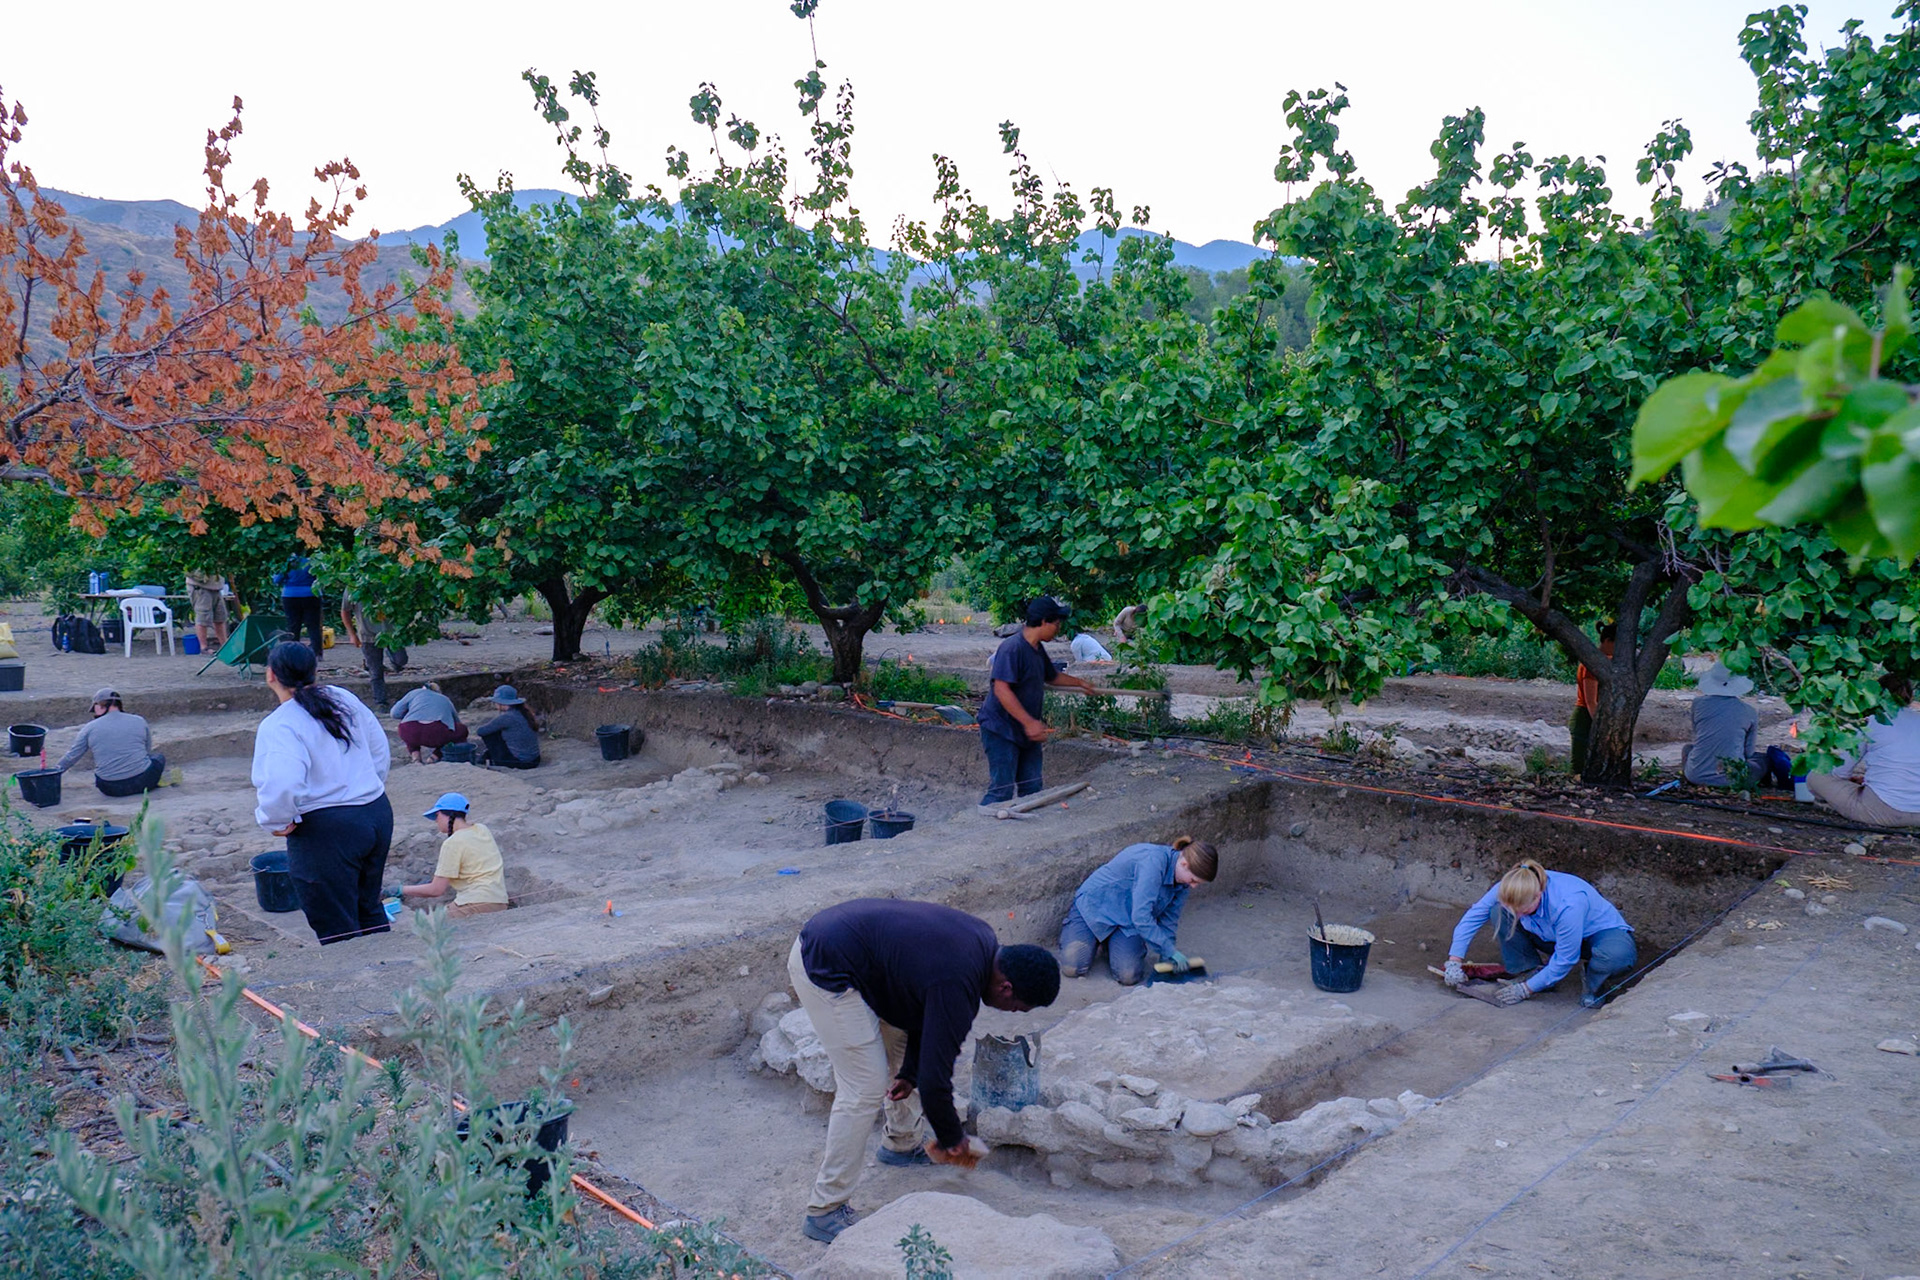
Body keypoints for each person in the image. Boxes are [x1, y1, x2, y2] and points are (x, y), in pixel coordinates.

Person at [787, 898, 1060, 1243]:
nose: (1012, 1013)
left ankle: (900, 1144)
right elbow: (936, 1083)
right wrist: (953, 1142)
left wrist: (909, 1073)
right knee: (864, 1086)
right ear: (1006, 988)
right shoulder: (958, 983)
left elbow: (923, 1016)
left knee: (902, 1049)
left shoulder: (983, 944)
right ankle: (824, 1210)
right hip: (826, 965)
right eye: (1018, 1008)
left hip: (858, 954)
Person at [251, 641, 394, 945]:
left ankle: (364, 984)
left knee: (336, 923)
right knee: (368, 906)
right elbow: (379, 748)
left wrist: (275, 821)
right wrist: (367, 786)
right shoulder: (343, 698)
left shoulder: (281, 724)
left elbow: (283, 783)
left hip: (329, 830)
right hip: (375, 813)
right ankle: (392, 974)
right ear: (315, 671)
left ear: (270, 675)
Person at [1443, 859, 1636, 1009]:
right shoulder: (1511, 885)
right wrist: (1454, 960)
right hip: (1552, 934)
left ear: (1538, 895)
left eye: (1521, 909)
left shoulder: (1568, 904)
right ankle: (1529, 970)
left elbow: (1566, 958)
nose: (1515, 914)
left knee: (1615, 957)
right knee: (1498, 911)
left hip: (1597, 935)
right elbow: (1474, 916)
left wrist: (1526, 991)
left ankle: (1595, 982)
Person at [976, 596, 1097, 806]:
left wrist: (1080, 683)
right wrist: (1030, 723)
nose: (1058, 629)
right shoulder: (1012, 648)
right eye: (1056, 624)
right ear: (1043, 621)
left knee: (1032, 788)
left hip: (1025, 730)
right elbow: (1002, 690)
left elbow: (1052, 677)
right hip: (1001, 729)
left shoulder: (1037, 649)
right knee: (1001, 791)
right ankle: (978, 830)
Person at [1059, 836, 1218, 984]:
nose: (1194, 886)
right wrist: (1169, 950)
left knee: (1129, 976)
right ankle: (1092, 936)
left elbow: (1169, 920)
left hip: (1128, 921)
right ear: (1184, 864)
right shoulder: (1153, 863)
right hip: (1096, 909)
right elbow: (1141, 916)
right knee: (1072, 967)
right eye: (1193, 880)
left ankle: (1110, 942)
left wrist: (1166, 958)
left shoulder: (1183, 884)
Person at [1807, 673, 1920, 828]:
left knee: (1816, 777)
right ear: (1911, 696)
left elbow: (1840, 772)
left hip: (1885, 810)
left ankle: (1831, 806)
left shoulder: (1872, 722)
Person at [392, 792, 510, 919]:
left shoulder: (453, 843)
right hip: (500, 901)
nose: (436, 821)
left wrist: (400, 890)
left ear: (448, 815)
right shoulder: (482, 829)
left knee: (425, 926)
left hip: (475, 903)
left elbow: (436, 890)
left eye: (437, 815)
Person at [1681, 662, 1791, 789]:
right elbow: (1748, 752)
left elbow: (1697, 736)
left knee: (1688, 748)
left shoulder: (1698, 704)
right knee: (1763, 760)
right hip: (1733, 779)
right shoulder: (1749, 711)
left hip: (1696, 776)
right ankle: (1759, 787)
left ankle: (1687, 779)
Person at [55, 688, 165, 796]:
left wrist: (54, 772)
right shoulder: (139, 720)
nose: (95, 712)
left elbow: (72, 756)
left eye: (95, 707)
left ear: (101, 705)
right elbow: (147, 750)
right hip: (144, 782)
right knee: (159, 757)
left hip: (110, 788)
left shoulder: (89, 728)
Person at [339, 590, 408, 711]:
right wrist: (352, 634)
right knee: (375, 671)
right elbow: (345, 611)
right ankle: (380, 702)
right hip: (367, 635)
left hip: (391, 633)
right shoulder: (352, 587)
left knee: (401, 660)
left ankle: (393, 662)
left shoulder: (384, 581)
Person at [1569, 622, 1614, 774]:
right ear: (1607, 641)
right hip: (1585, 717)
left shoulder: (1608, 660)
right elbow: (1591, 702)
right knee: (1579, 769)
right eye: (1616, 645)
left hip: (1595, 716)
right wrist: (1602, 726)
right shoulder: (1592, 665)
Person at [391, 681, 468, 763]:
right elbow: (456, 722)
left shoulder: (414, 693)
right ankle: (435, 756)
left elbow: (395, 713)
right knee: (461, 731)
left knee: (410, 727)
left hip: (409, 731)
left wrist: (410, 714)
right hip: (436, 733)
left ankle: (416, 757)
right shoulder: (445, 699)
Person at [473, 684, 541, 769]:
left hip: (521, 762)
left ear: (501, 703)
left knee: (490, 734)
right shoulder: (523, 712)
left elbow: (481, 731)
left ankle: (496, 760)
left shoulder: (507, 717)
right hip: (535, 759)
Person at [274, 554, 324, 656]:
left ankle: (293, 652)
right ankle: (317, 652)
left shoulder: (287, 561)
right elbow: (323, 575)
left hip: (290, 595)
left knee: (293, 625)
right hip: (311, 594)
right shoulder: (314, 559)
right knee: (313, 625)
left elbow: (277, 579)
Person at [185, 569, 230, 652]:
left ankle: (225, 645)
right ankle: (204, 647)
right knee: (203, 617)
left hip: (216, 587)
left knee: (220, 617)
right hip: (200, 587)